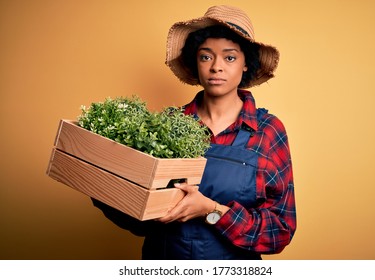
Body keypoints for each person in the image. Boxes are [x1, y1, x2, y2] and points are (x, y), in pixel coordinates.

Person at [92, 5, 296, 260]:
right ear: (195, 61)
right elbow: (139, 222)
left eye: (230, 57)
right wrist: (102, 182)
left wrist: (211, 211)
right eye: (206, 56)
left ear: (246, 64)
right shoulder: (165, 125)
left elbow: (280, 231)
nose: (216, 67)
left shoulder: (267, 131)